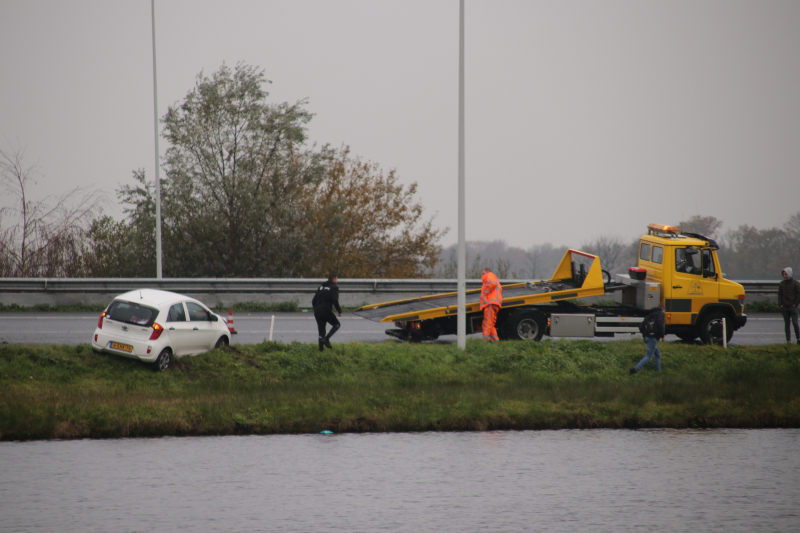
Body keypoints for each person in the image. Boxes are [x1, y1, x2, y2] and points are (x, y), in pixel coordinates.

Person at [630, 304, 665, 374]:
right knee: (648, 357)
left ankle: (658, 371)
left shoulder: (650, 314)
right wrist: (662, 336)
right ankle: (634, 369)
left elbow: (641, 326)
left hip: (647, 338)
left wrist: (645, 334)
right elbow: (660, 325)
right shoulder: (660, 313)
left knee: (658, 354)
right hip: (652, 338)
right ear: (663, 309)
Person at [312, 274, 343, 351]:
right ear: (334, 280)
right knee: (336, 324)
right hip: (326, 311)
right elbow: (335, 300)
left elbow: (313, 301)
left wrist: (316, 309)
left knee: (321, 332)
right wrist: (339, 311)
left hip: (317, 311)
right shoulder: (334, 287)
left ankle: (321, 350)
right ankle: (326, 339)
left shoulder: (321, 287)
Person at [778, 267, 800, 344]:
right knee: (787, 324)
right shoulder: (782, 284)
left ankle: (798, 339)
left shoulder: (796, 283)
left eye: (786, 274)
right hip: (785, 307)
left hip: (793, 307)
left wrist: (795, 304)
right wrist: (780, 304)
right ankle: (788, 340)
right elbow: (780, 295)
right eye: (783, 274)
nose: (784, 276)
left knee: (795, 323)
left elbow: (798, 294)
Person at [480, 268, 502, 342]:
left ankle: (485, 341)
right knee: (491, 324)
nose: (482, 275)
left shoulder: (490, 275)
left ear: (487, 272)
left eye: (483, 273)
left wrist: (485, 293)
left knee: (487, 323)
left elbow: (492, 283)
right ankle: (495, 340)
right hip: (494, 303)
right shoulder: (491, 277)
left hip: (491, 303)